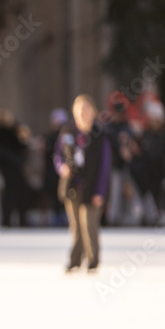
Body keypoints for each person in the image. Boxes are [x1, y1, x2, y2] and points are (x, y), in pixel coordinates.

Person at [55, 95, 111, 272]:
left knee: (89, 225)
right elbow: (57, 155)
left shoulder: (100, 136)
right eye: (80, 111)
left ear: (93, 112)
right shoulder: (67, 132)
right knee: (76, 227)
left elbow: (104, 166)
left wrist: (100, 192)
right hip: (72, 186)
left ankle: (93, 261)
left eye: (87, 110)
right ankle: (75, 260)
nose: (83, 114)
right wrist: (61, 167)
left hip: (92, 187)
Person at [131, 101, 165, 226]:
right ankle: (149, 216)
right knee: (147, 194)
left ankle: (158, 216)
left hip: (160, 169)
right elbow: (139, 151)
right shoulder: (145, 134)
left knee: (158, 193)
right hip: (146, 170)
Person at [0, 108, 30, 227]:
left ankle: (22, 220)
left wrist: (24, 141)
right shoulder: (0, 133)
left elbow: (22, 148)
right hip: (8, 168)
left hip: (16, 168)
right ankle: (7, 220)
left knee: (21, 193)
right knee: (10, 194)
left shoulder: (14, 131)